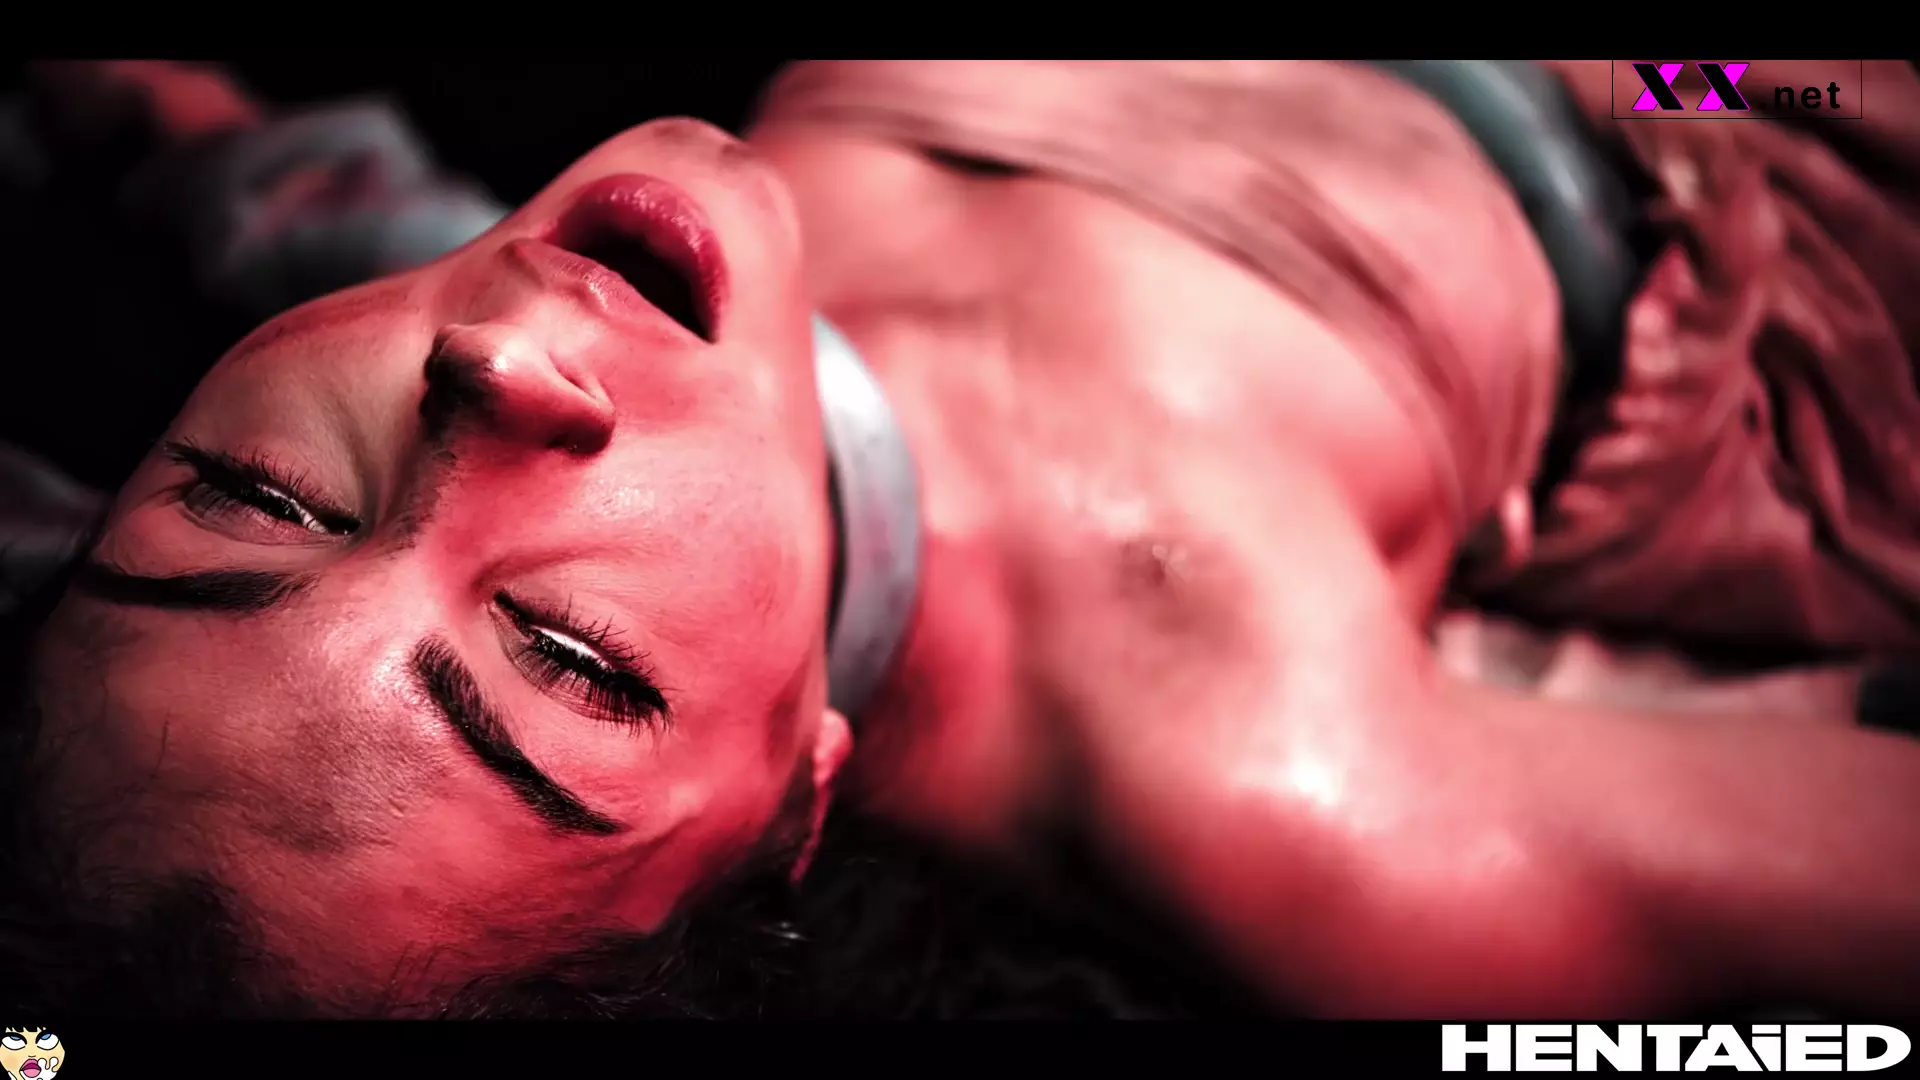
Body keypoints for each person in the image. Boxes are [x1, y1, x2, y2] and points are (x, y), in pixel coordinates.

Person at [2, 59, 1918, 1019]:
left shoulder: (517, 285)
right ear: (798, 806)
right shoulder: (1261, 778)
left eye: (257, 495)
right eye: (570, 663)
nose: (494, 375)